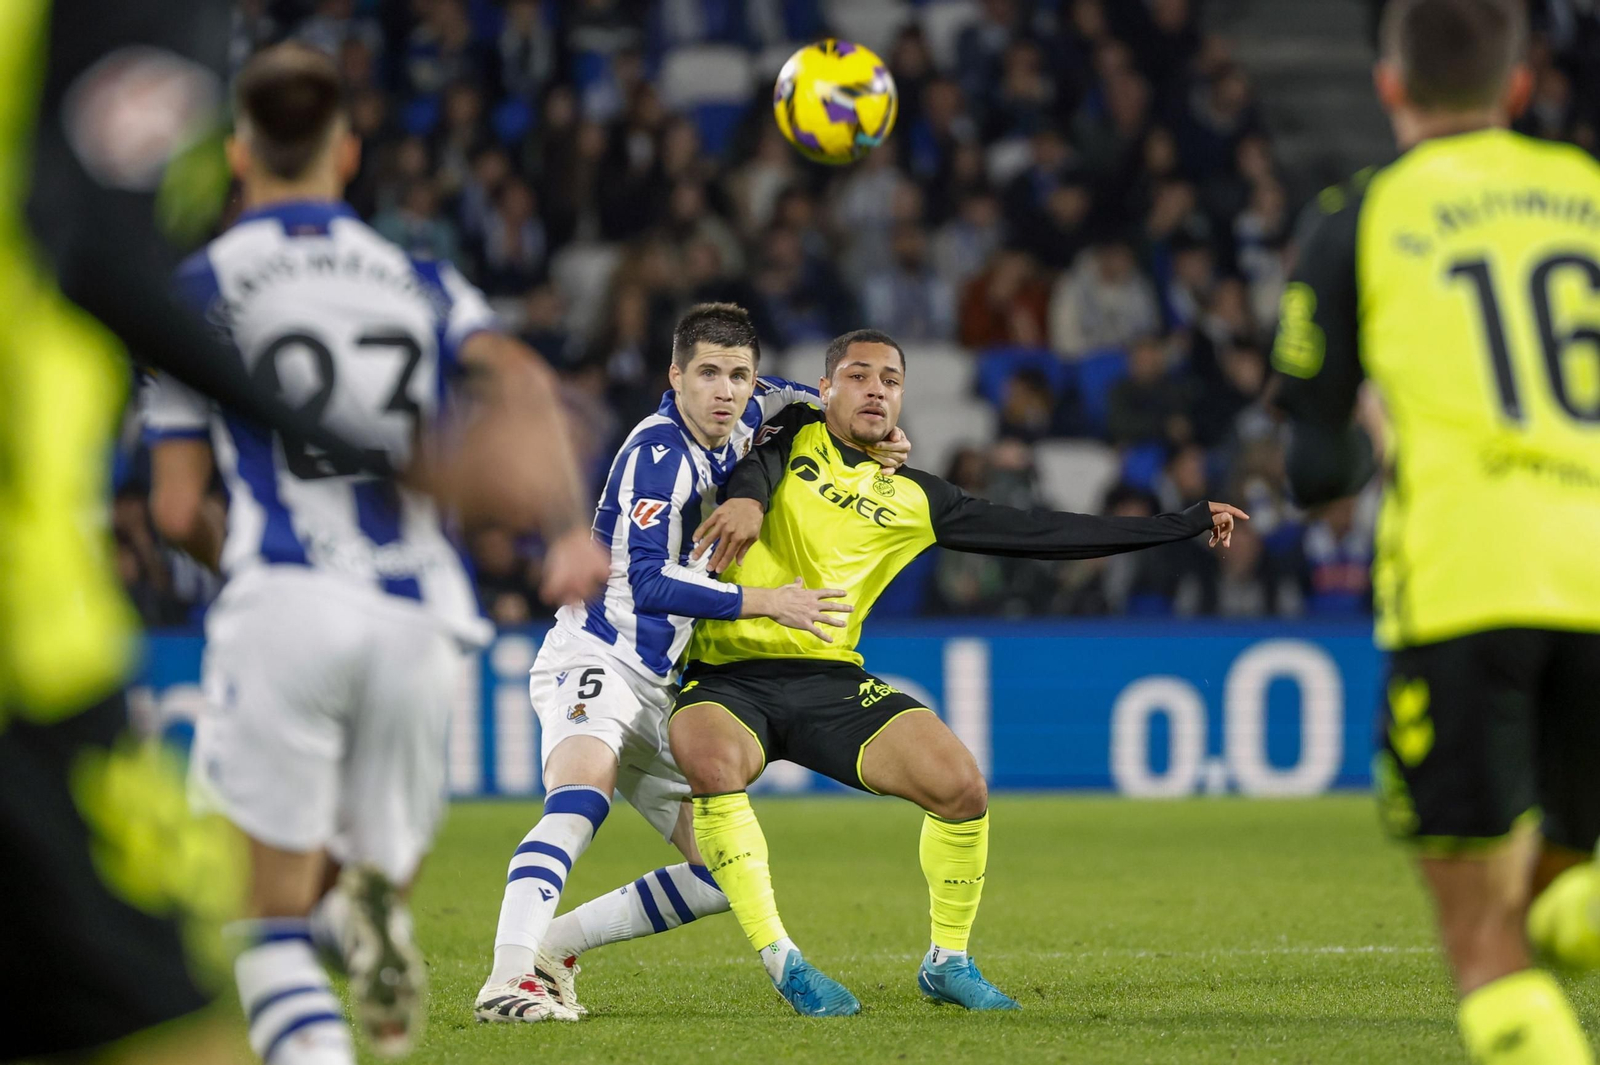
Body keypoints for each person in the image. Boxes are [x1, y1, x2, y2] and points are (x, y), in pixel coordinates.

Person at [142, 43, 607, 1064]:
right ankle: (358, 919)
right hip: (419, 613)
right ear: (346, 153)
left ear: (237, 153)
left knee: (257, 923)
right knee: (358, 880)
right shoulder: (419, 278)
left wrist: (239, 560)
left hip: (287, 598)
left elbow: (175, 509)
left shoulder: (199, 285)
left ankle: (315, 976)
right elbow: (524, 381)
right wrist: (568, 531)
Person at [672, 329, 1245, 1015]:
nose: (876, 389)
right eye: (858, 375)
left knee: (961, 786)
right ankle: (785, 962)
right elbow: (756, 455)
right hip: (727, 672)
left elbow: (1046, 534)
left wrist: (1181, 522)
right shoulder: (789, 431)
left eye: (890, 380)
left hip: (829, 678)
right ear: (825, 389)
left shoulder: (920, 498)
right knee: (713, 763)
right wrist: (750, 497)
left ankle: (947, 961)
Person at [1270, 2, 1600, 1062]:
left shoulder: (1357, 217)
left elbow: (1316, 471)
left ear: (1388, 85)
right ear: (1520, 84)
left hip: (1467, 582)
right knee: (1557, 888)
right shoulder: (1589, 192)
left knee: (1484, 948)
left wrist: (1378, 429)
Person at [472, 303, 911, 1022]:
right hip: (599, 654)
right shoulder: (659, 455)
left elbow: (819, 400)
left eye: (738, 375)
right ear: (675, 377)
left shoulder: (757, 406)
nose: (724, 391)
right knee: (581, 798)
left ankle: (552, 949)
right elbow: (647, 582)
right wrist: (766, 601)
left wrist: (879, 435)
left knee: (720, 869)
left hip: (660, 683)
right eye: (707, 373)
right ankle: (506, 979)